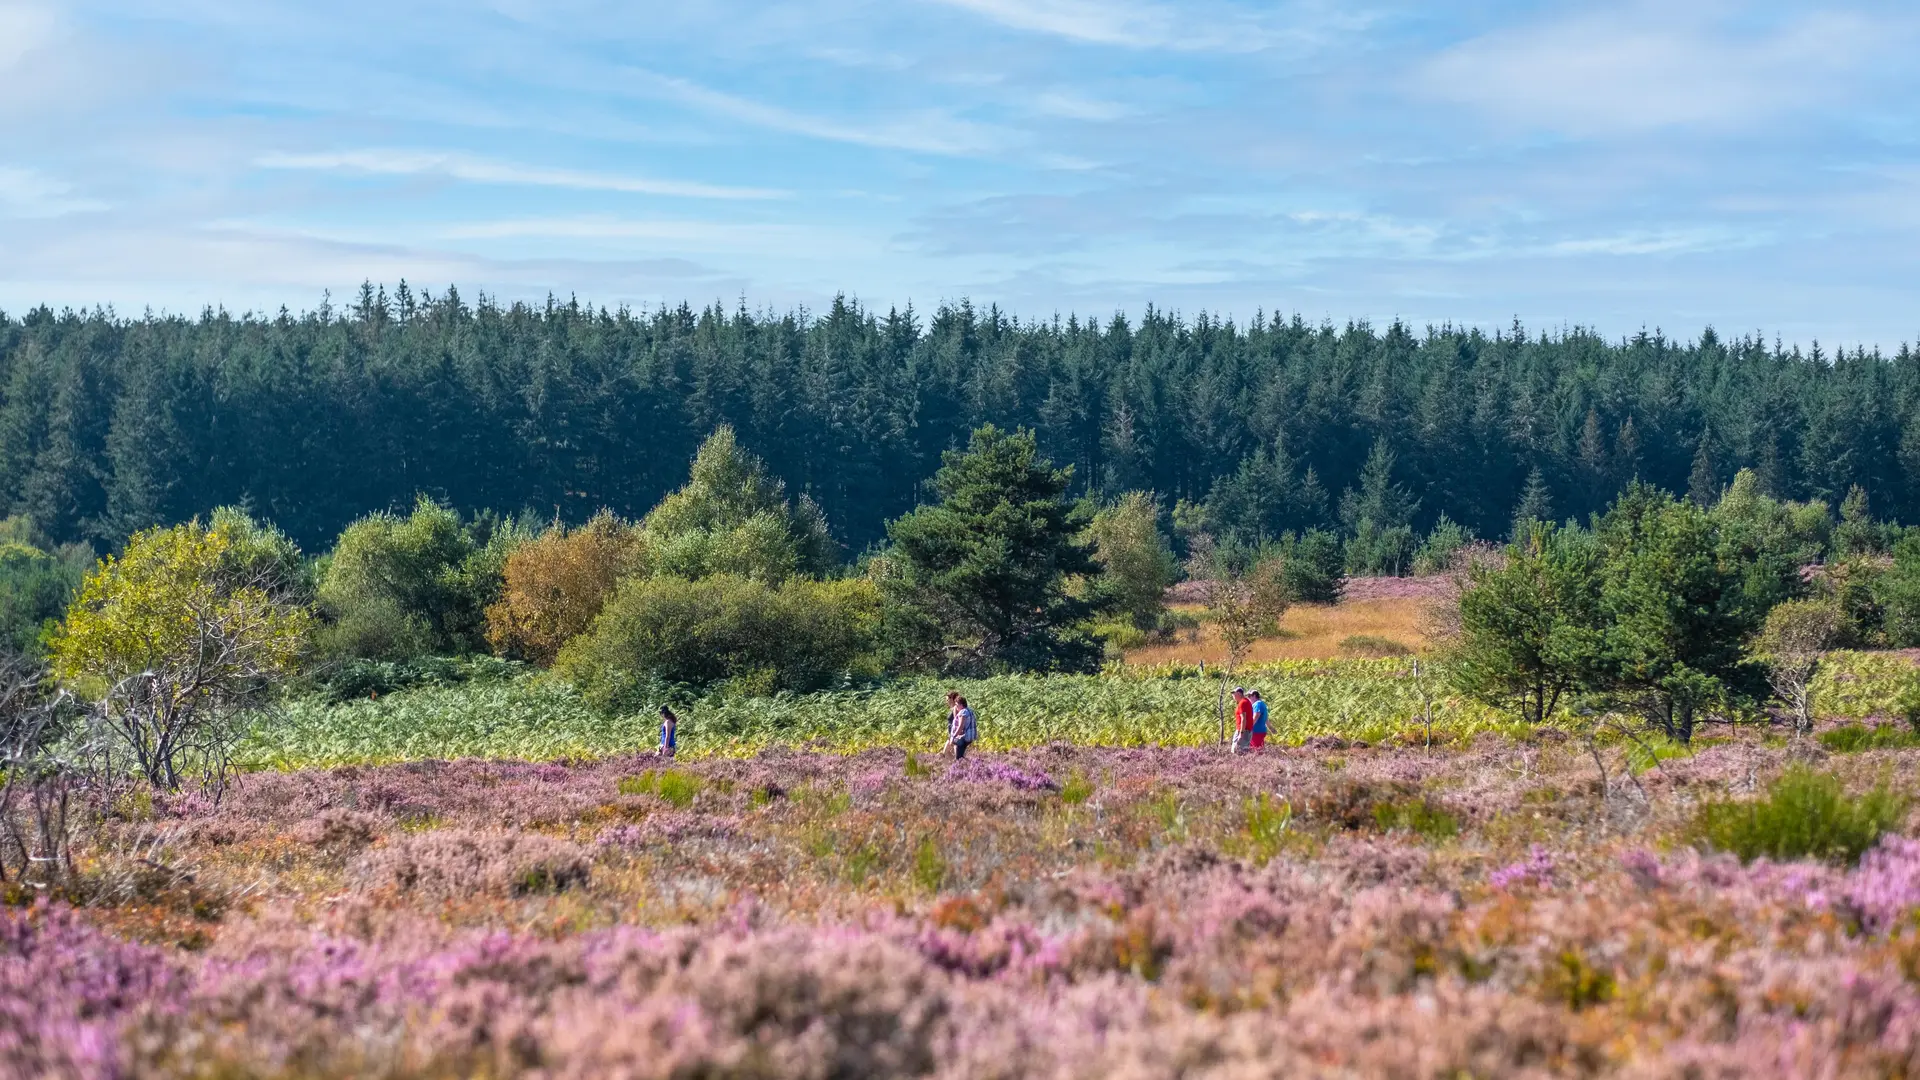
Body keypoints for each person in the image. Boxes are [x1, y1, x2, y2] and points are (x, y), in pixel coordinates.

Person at [945, 695, 978, 760]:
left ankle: (974, 765)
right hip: (970, 736)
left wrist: (953, 736)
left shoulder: (962, 712)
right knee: (960, 756)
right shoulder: (969, 710)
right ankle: (973, 765)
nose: (956, 707)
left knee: (959, 758)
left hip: (965, 737)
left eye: (957, 705)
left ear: (961, 704)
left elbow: (960, 726)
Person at [1230, 687, 1254, 754]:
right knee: (1244, 751)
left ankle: (1237, 764)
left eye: (1234, 694)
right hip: (1247, 730)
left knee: (1236, 750)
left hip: (1243, 730)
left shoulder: (1243, 703)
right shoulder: (1246, 701)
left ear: (1239, 693)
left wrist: (1241, 733)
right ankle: (1243, 763)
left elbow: (1243, 718)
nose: (1233, 696)